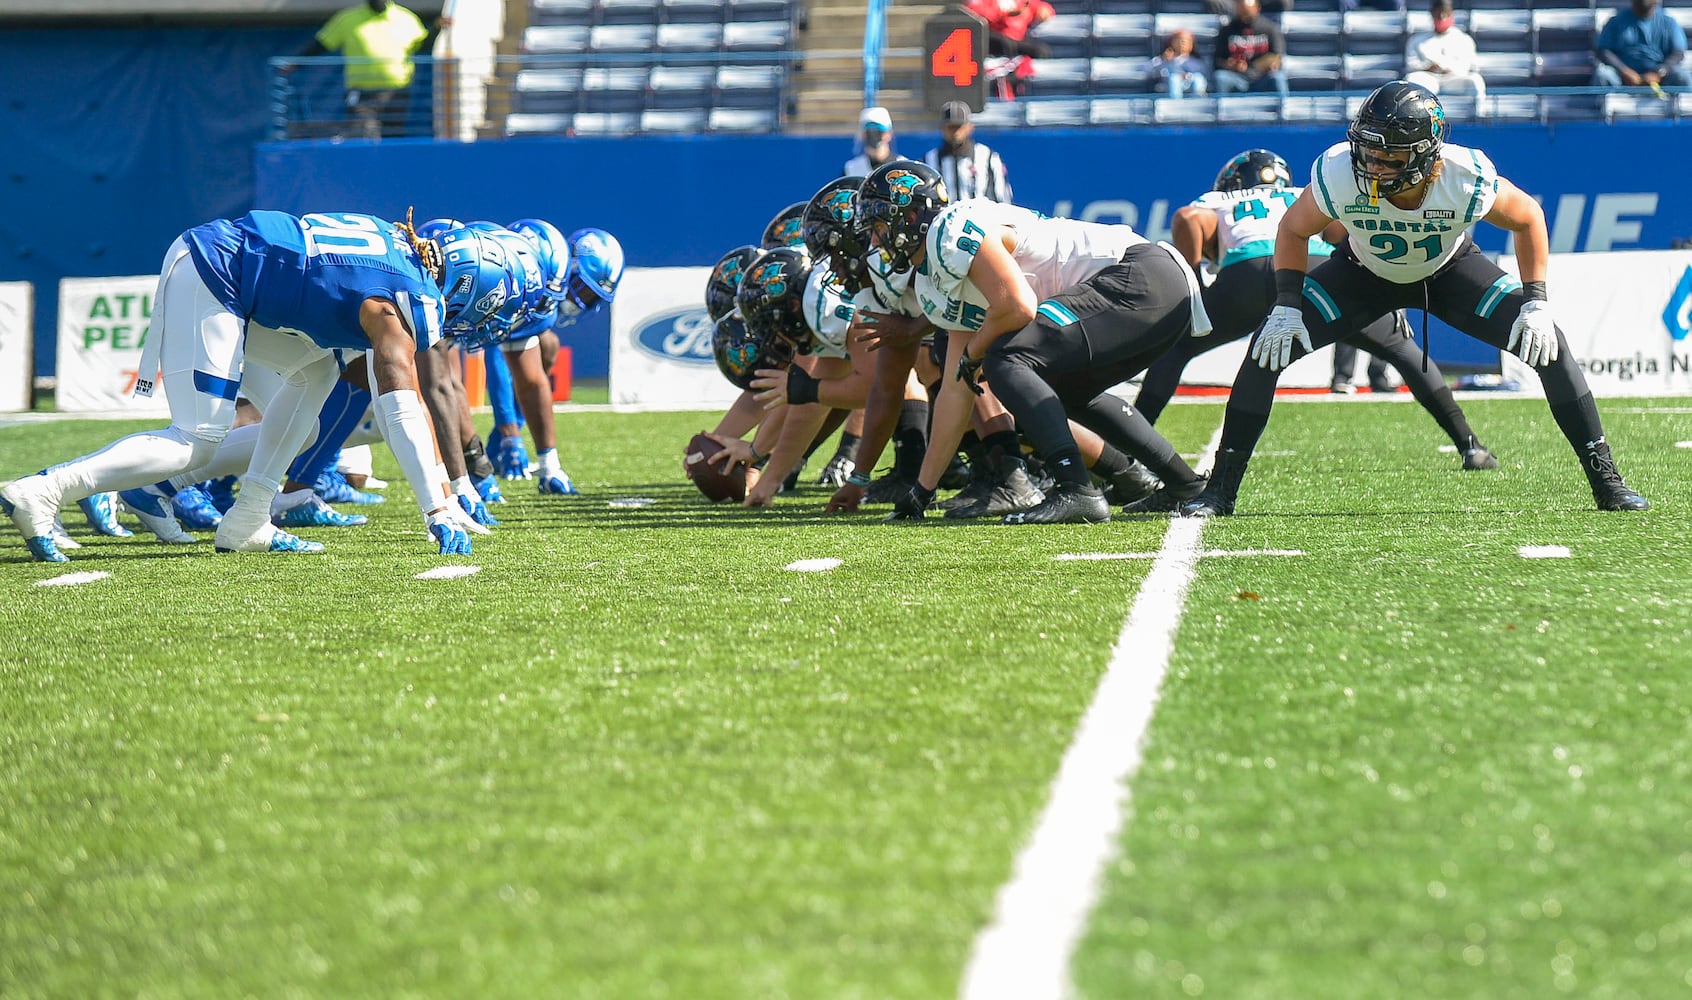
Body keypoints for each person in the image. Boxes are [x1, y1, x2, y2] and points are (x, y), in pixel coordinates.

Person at [1180, 82, 1649, 518]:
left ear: (1426, 155)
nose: (1372, 164)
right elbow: (1294, 228)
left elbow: (1528, 217)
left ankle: (1606, 479)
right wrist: (1285, 303)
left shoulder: (1465, 175)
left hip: (1450, 272)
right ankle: (1220, 490)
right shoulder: (1340, 170)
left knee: (1551, 346)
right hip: (1362, 274)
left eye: (1388, 155)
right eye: (1367, 149)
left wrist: (1537, 302)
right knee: (1267, 349)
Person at [1, 211, 513, 562]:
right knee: (198, 438)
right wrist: (437, 508)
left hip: (241, 273)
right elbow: (400, 401)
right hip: (217, 270)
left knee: (316, 373)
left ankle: (248, 518)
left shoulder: (396, 246)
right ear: (467, 286)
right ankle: (44, 490)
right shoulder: (407, 296)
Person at [1131, 147, 1497, 512]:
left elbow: (1188, 218)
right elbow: (1346, 232)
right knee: (1401, 350)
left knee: (1183, 350)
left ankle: (1128, 452)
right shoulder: (1301, 193)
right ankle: (1469, 444)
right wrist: (1387, 290)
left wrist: (1196, 280)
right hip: (1315, 270)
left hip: (1246, 273)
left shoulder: (1218, 199)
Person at [857, 160, 1213, 525]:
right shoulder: (936, 280)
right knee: (1067, 389)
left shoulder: (949, 231)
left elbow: (1018, 307)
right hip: (1152, 292)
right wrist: (922, 490)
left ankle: (1075, 487)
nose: (874, 241)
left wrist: (975, 353)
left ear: (911, 216)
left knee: (1006, 359)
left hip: (1141, 276)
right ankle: (1183, 483)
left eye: (879, 227)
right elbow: (955, 390)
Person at [290, 0, 436, 140]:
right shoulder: (347, 19)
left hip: (396, 94)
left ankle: (390, 166)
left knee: (392, 139)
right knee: (362, 136)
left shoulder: (406, 18)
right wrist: (295, 63)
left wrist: (437, 29)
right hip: (362, 94)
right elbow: (321, 44)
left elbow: (423, 46)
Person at [923, 102, 1013, 204]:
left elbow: (1003, 200)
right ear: (942, 128)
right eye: (950, 127)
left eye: (959, 127)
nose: (955, 132)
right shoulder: (929, 161)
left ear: (970, 127)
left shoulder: (989, 158)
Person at [1592, 0, 1691, 92]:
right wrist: (1624, 71)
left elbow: (1678, 53)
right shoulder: (1616, 21)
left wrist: (1659, 73)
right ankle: (1599, 110)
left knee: (1682, 76)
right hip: (1622, 77)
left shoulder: (1669, 22)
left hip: (1660, 78)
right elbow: (1603, 50)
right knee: (1603, 75)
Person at [965, 0, 1055, 97]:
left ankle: (1013, 74)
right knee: (1004, 43)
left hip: (1018, 42)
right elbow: (972, 14)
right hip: (994, 40)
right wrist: (999, 11)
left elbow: (1041, 8)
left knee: (1041, 51)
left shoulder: (1022, 2)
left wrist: (1044, 11)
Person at [1404, 0, 1486, 101]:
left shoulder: (1463, 39)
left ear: (1452, 14)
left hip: (1453, 78)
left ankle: (1479, 115)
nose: (1442, 17)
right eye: (1438, 14)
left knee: (1476, 80)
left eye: (1446, 13)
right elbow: (1411, 65)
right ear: (1432, 15)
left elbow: (1470, 66)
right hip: (1428, 77)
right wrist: (1428, 67)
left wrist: (1448, 67)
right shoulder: (1417, 40)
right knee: (1411, 80)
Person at [1213, 0, 1290, 98]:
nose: (1245, 18)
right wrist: (1230, 65)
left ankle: (1283, 110)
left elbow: (1277, 56)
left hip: (1261, 78)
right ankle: (1220, 112)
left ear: (1257, 9)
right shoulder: (1227, 30)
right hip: (1237, 78)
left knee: (1278, 77)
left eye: (1248, 15)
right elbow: (1217, 61)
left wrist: (1263, 66)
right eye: (1242, 13)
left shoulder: (1270, 28)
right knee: (1220, 77)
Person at [1150, 29, 1209, 99]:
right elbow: (1148, 69)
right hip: (1169, 85)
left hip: (1189, 84)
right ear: (1172, 42)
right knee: (1174, 78)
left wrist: (1186, 75)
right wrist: (1164, 60)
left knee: (1198, 78)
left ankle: (1199, 102)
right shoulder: (1164, 58)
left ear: (1191, 44)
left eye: (1187, 40)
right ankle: (1176, 103)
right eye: (1179, 40)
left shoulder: (1196, 62)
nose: (1183, 42)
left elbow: (1205, 77)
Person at [843, 107, 898, 178]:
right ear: (863, 135)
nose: (873, 136)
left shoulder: (904, 167)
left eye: (879, 131)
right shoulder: (851, 169)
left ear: (889, 134)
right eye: (869, 132)